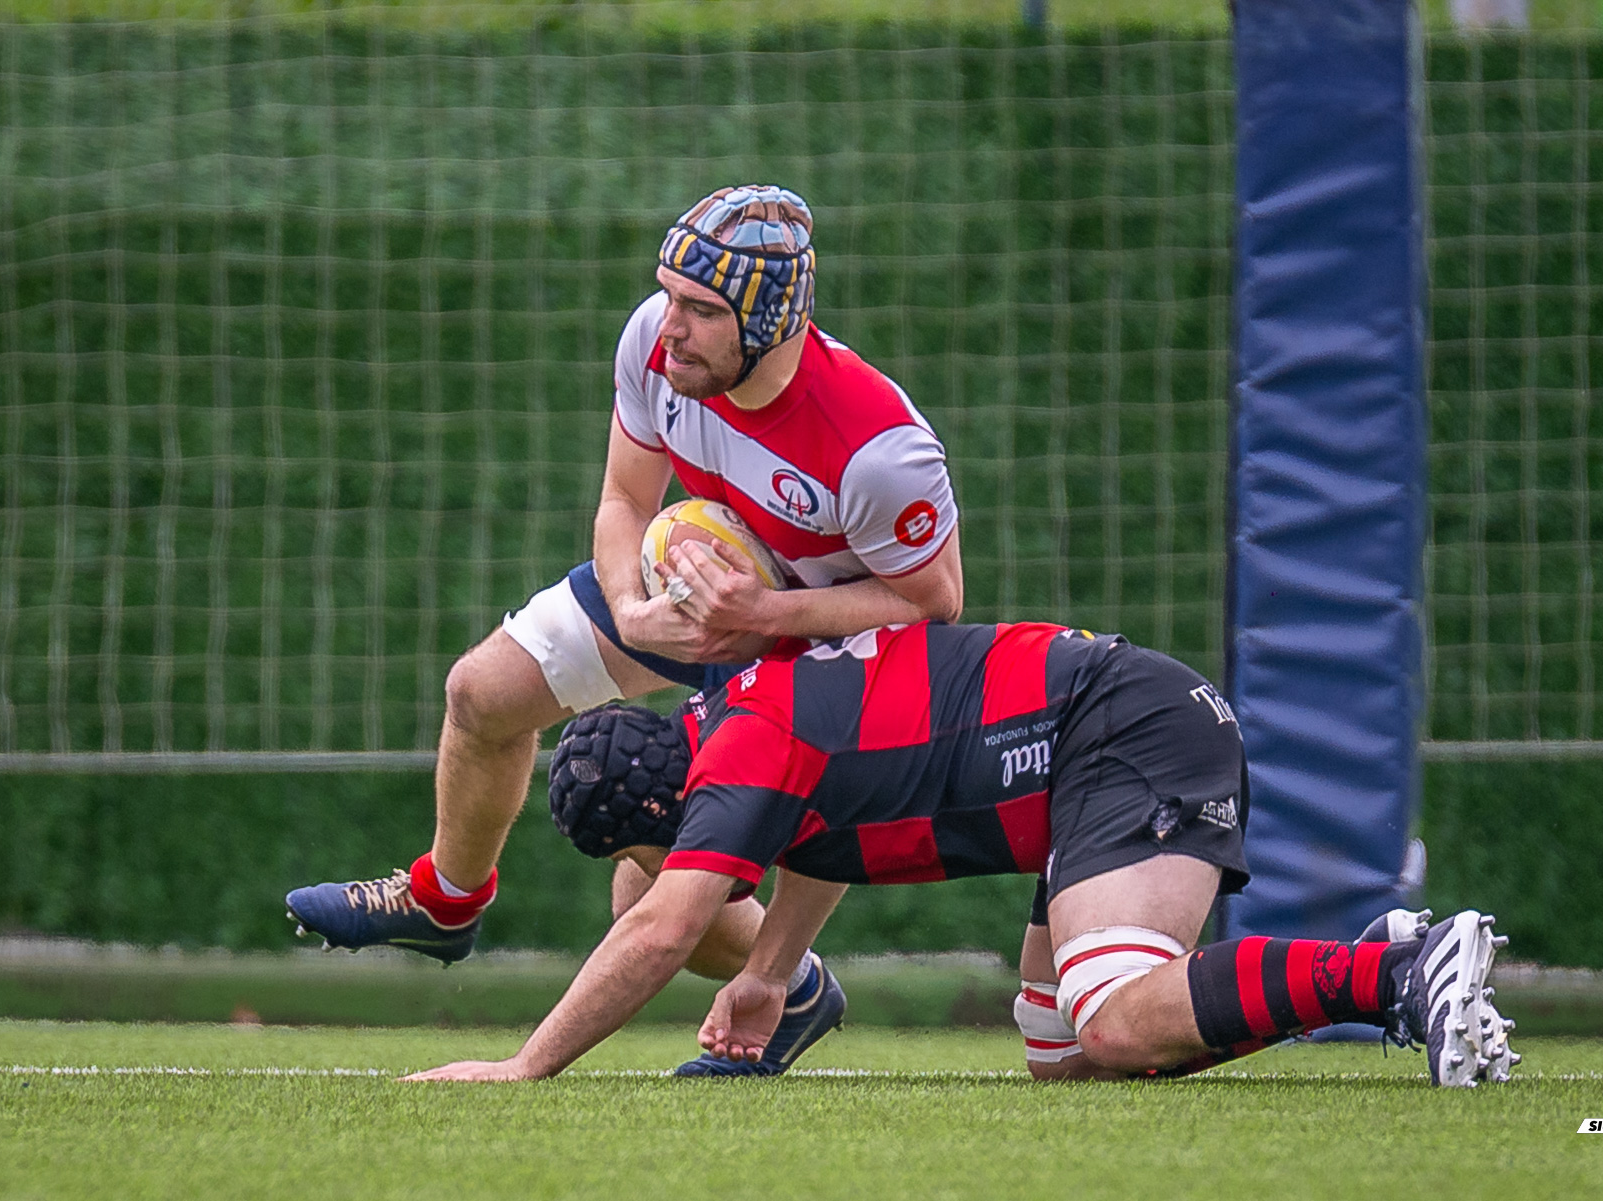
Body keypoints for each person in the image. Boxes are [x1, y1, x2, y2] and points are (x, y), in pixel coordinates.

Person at [285, 185, 965, 1077]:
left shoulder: (880, 450)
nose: (669, 326)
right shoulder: (654, 343)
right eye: (669, 294)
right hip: (690, 593)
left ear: (770, 323)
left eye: (701, 309)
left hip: (817, 652)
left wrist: (765, 617)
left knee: (642, 889)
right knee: (481, 692)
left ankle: (786, 981)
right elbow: (623, 500)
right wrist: (631, 602)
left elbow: (932, 605)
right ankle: (446, 900)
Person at [403, 620, 1520, 1087]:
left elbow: (658, 928)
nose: (660, 869)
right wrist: (765, 976)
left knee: (1115, 1012)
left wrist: (521, 1067)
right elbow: (825, 836)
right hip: (1093, 752)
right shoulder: (741, 731)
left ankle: (1394, 977)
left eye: (650, 850)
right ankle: (1384, 966)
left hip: (1119, 730)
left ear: (662, 814)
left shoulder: (740, 755)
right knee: (1066, 1053)